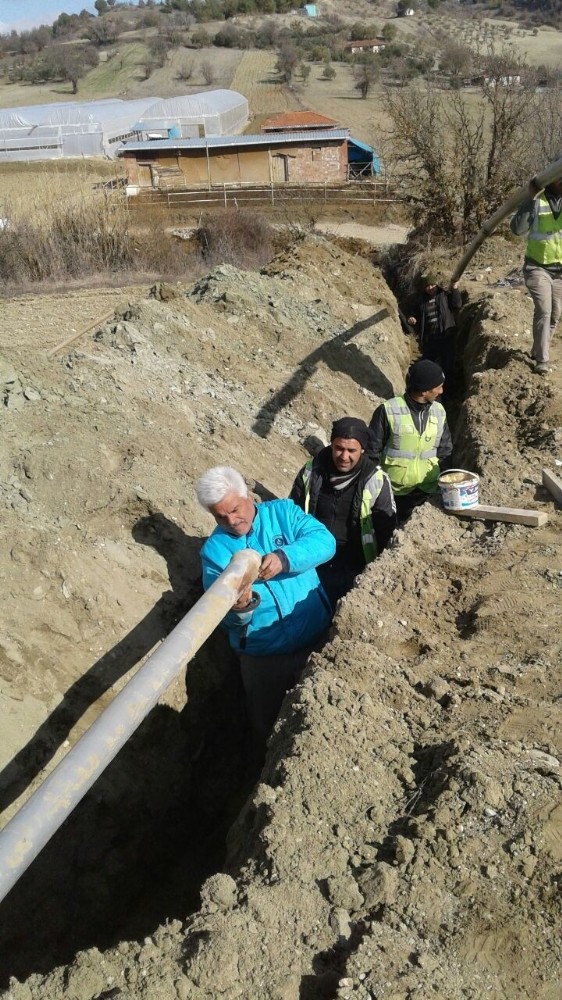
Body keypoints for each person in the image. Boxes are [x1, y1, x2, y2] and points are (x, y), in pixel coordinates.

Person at [196, 466, 335, 747]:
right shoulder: (214, 553)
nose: (232, 521)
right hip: (264, 657)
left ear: (246, 493)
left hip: (317, 639)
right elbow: (222, 620)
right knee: (267, 723)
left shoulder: (282, 513)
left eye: (235, 509)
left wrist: (286, 557)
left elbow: (325, 542)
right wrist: (240, 608)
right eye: (221, 517)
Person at [289, 417, 396, 608]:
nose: (344, 456)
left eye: (351, 451)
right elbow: (292, 513)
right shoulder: (311, 472)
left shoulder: (375, 480)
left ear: (362, 449)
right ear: (331, 445)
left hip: (354, 564)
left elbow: (386, 529)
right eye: (339, 448)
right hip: (313, 558)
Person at [369, 359, 453, 524]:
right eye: (438, 387)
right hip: (393, 494)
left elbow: (445, 450)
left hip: (427, 492)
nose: (441, 391)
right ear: (423, 391)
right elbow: (372, 451)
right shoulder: (388, 411)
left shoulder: (439, 411)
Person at [510, 171, 562, 375]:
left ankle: (538, 350)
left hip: (559, 270)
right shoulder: (537, 199)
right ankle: (542, 359)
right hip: (537, 267)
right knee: (544, 310)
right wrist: (530, 197)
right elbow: (517, 229)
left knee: (556, 313)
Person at [407, 273, 462, 391]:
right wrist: (412, 318)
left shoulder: (445, 296)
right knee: (428, 366)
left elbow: (457, 304)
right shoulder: (420, 301)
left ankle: (449, 392)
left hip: (446, 338)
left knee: (448, 365)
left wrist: (455, 289)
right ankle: (427, 389)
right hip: (430, 339)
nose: (430, 288)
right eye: (427, 286)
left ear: (436, 284)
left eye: (432, 285)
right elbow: (413, 313)